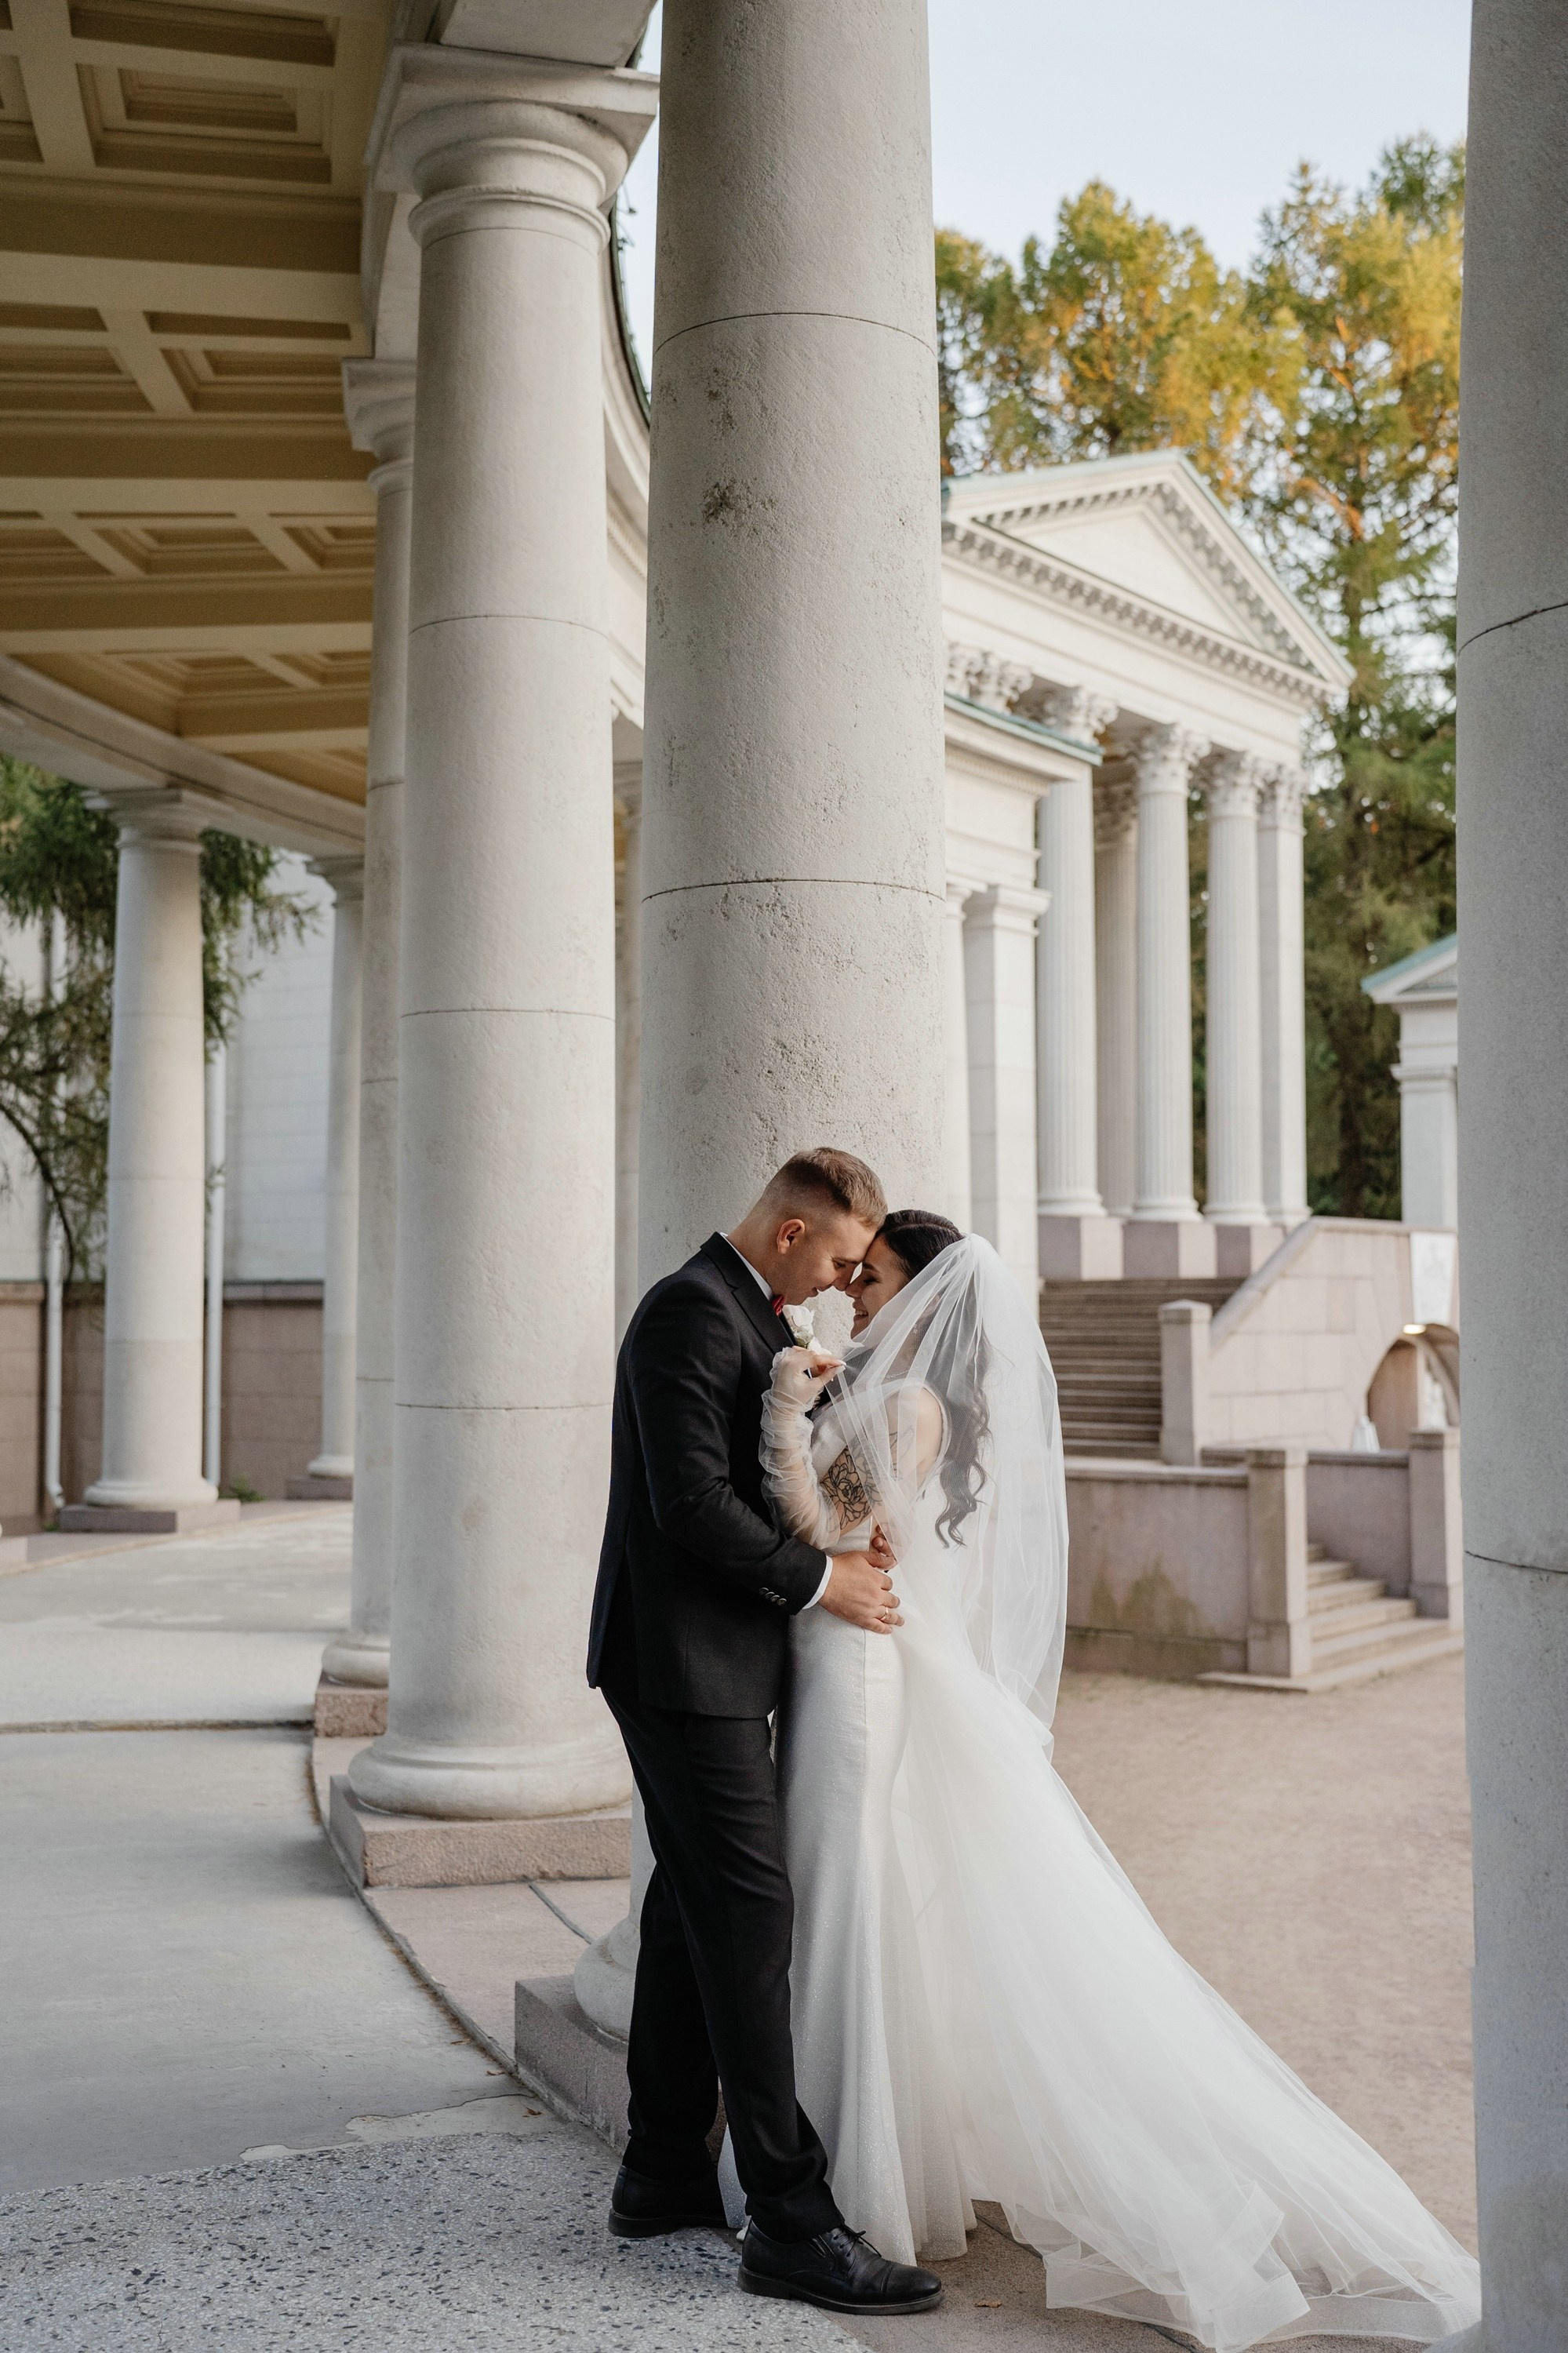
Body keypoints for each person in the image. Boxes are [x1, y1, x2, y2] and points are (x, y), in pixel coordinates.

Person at [762, 1213, 1482, 2352]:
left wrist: (780, 1411)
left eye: (876, 1278)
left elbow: (818, 1526)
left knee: (840, 1910)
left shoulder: (905, 1406)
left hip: (855, 1671)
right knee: (847, 1915)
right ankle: (852, 2171)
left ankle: (843, 2189)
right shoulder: (884, 1391)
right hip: (835, 1659)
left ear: (925, 1297)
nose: (856, 1293)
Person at [587, 1148, 943, 2317]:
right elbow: (689, 1504)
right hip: (684, 1668)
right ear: (792, 1233)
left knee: (689, 1913)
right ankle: (791, 2219)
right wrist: (824, 1581)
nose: (840, 1284)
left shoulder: (748, 1312)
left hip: (710, 1664)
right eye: (838, 1260)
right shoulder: (692, 1312)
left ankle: (659, 2171)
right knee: (749, 1918)